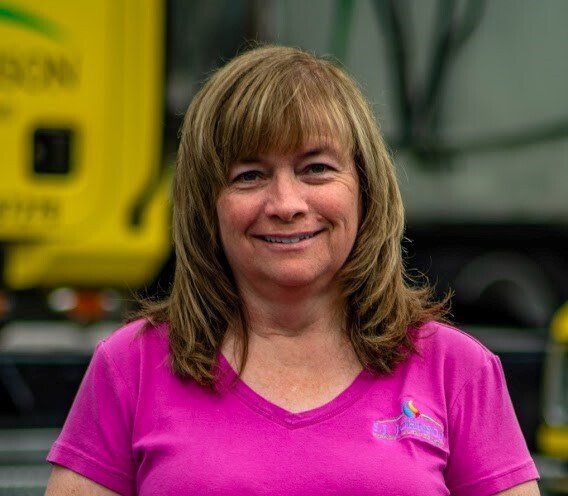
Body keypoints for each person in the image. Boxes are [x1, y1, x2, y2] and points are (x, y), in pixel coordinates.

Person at [45, 45, 540, 496]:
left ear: (366, 188)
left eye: (316, 169)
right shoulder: (130, 366)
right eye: (250, 176)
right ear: (205, 206)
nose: (286, 204)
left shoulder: (458, 369)